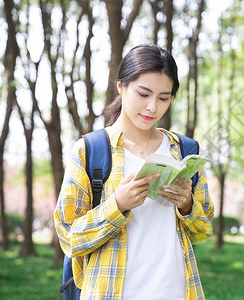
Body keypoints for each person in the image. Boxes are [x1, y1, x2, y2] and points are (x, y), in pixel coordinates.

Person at [54, 43, 214, 300]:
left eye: (164, 98)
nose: (153, 107)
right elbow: (70, 238)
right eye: (143, 94)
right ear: (121, 86)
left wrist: (186, 205)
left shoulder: (183, 150)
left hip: (176, 292)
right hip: (110, 292)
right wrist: (117, 205)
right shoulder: (90, 150)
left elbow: (203, 230)